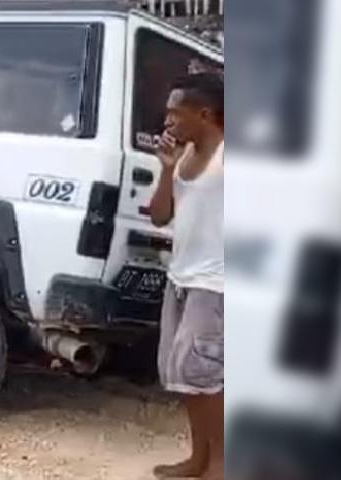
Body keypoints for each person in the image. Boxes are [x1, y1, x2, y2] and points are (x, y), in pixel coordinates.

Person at [148, 73, 224, 480]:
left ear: (205, 114)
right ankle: (199, 459)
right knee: (182, 374)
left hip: (216, 283)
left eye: (176, 114)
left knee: (205, 375)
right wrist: (166, 170)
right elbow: (161, 216)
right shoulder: (182, 158)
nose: (168, 123)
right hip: (181, 278)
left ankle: (222, 463)